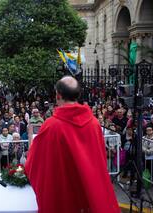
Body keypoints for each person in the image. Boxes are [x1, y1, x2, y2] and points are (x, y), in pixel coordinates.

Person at [25, 76, 119, 213]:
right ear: (78, 95)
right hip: (88, 191)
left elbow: (34, 163)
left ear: (58, 96)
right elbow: (100, 159)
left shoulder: (51, 126)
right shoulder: (94, 123)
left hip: (62, 194)